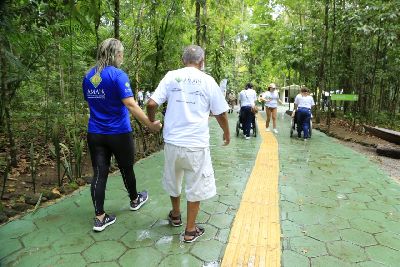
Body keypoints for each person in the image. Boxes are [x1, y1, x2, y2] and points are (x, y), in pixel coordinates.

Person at [147, 45, 230, 243]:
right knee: (195, 183)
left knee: (173, 179)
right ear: (202, 62)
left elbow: (151, 104)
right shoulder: (208, 81)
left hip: (172, 142)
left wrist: (152, 122)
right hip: (196, 144)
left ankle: (175, 216)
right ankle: (190, 230)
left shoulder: (171, 76)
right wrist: (226, 133)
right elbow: (221, 113)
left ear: (183, 60)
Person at [82, 38, 162, 232]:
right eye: (121, 54)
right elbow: (131, 104)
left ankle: (100, 217)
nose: (122, 57)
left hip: (95, 133)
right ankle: (135, 200)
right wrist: (150, 125)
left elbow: (91, 102)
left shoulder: (88, 76)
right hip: (118, 132)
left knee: (99, 173)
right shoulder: (118, 75)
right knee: (126, 168)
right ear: (116, 54)